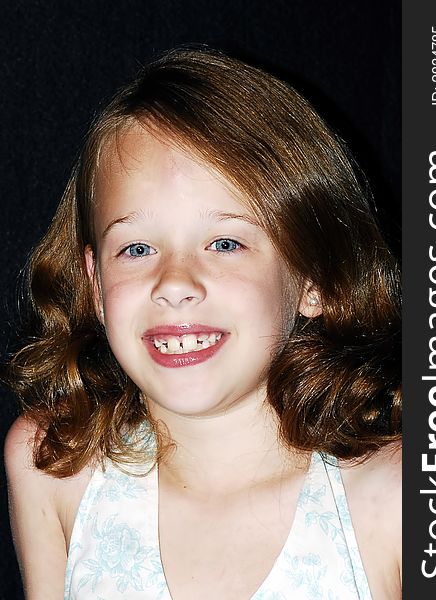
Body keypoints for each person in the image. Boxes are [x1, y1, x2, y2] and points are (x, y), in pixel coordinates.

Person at [4, 47, 401, 600]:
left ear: (316, 278)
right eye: (137, 247)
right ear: (95, 286)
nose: (174, 282)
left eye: (225, 243)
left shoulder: (397, 498)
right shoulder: (52, 469)